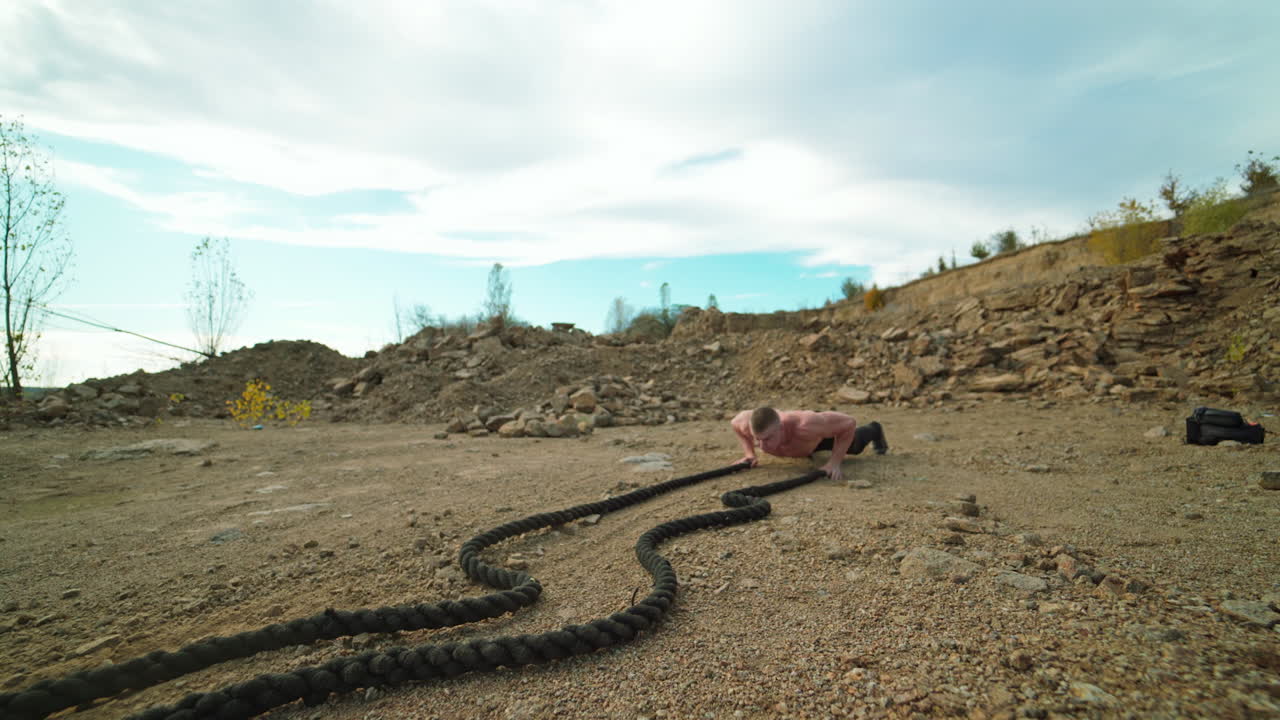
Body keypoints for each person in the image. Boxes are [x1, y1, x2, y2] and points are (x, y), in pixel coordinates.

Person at [731, 407, 887, 483]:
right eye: (758, 439)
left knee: (855, 446)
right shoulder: (745, 423)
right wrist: (749, 454)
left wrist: (834, 463)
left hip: (814, 440)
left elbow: (849, 423)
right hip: (800, 447)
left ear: (780, 427)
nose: (763, 447)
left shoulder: (805, 426)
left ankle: (875, 429)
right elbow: (735, 424)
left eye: (768, 439)